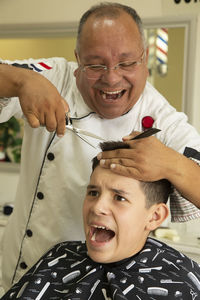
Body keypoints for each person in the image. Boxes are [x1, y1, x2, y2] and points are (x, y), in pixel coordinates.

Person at [0, 1, 200, 291]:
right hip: (19, 272)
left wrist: (171, 163)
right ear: (77, 59)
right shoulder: (55, 76)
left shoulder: (164, 122)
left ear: (145, 58)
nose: (112, 77)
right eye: (95, 64)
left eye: (127, 63)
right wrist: (21, 81)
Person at [1, 141, 200, 300]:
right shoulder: (59, 257)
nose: (97, 207)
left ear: (155, 216)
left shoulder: (181, 280)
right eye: (93, 193)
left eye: (119, 198)